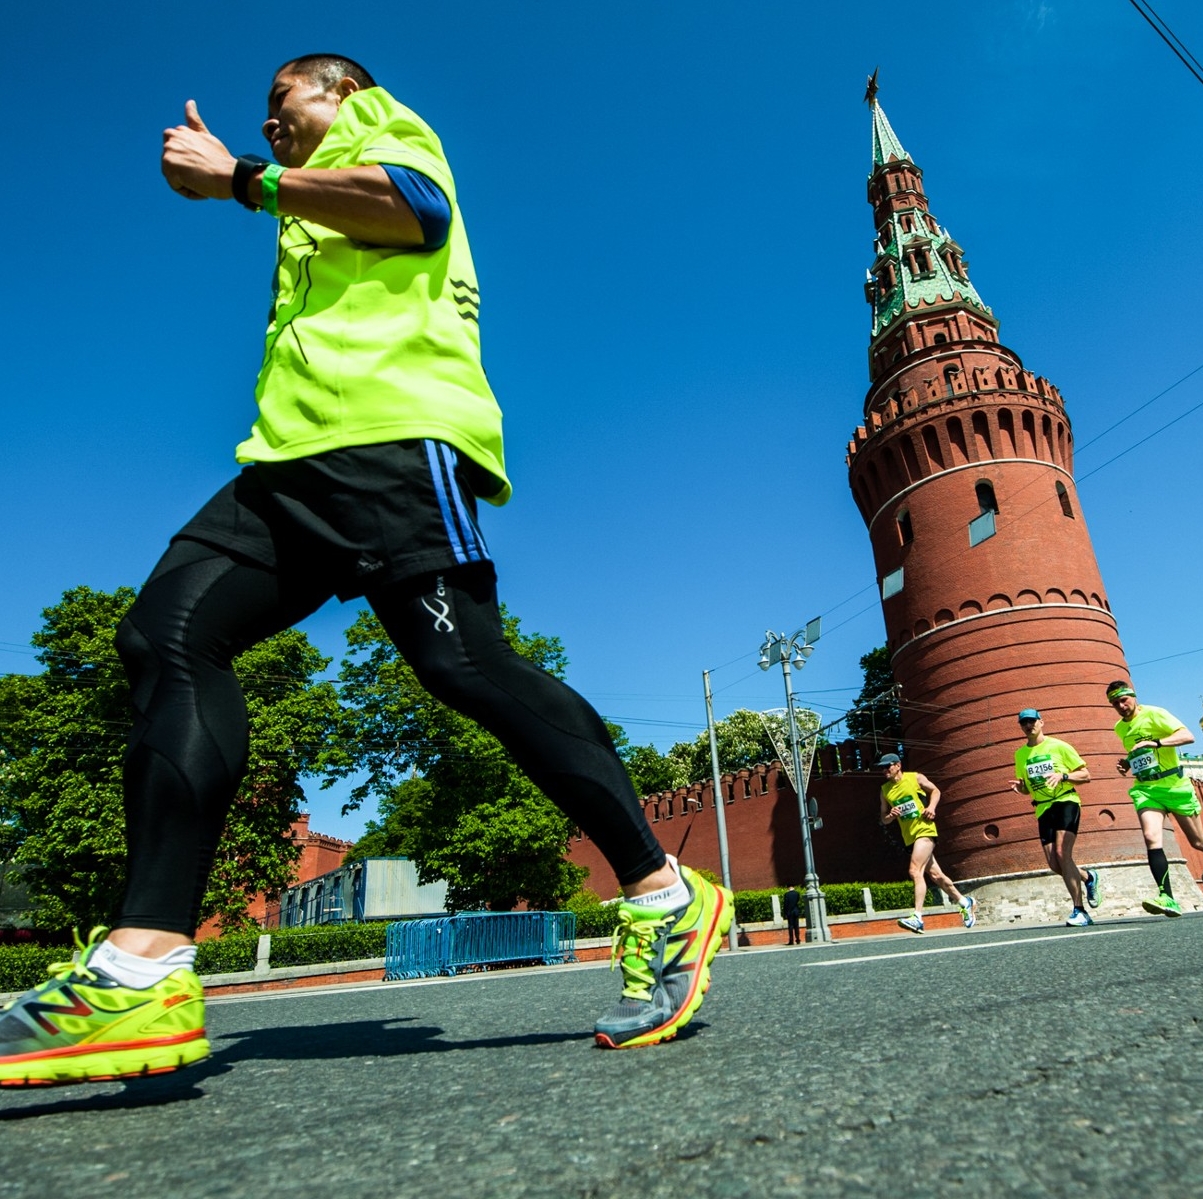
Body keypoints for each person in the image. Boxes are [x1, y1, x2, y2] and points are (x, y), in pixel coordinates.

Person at [0, 56, 735, 1086]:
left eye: (282, 99)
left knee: (463, 668)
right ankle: (144, 964)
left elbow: (416, 212)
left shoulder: (381, 126)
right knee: (164, 634)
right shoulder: (299, 203)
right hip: (282, 470)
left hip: (394, 443)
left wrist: (239, 177)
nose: (269, 116)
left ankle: (663, 891)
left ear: (337, 93)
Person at [1106, 681, 1203, 916]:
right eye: (1115, 703)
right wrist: (1127, 763)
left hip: (1175, 785)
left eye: (1123, 700)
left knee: (1199, 842)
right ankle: (1167, 897)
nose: (1121, 706)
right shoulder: (1120, 728)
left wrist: (1156, 742)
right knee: (1151, 837)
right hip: (1146, 788)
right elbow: (1140, 753)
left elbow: (1187, 736)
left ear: (1133, 696)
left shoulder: (1155, 714)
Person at [1008, 708, 1103, 927]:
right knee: (1054, 864)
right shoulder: (1020, 754)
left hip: (1065, 800)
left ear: (1041, 722)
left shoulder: (1058, 746)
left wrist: (1063, 775)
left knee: (1062, 853)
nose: (1028, 726)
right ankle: (1088, 878)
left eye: (1032, 721)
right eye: (1024, 723)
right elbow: (1027, 789)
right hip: (1042, 808)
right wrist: (1021, 788)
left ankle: (1080, 911)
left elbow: (1086, 775)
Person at [877, 754, 976, 932]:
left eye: (888, 766)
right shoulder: (885, 790)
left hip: (925, 830)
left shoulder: (915, 777)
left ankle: (917, 917)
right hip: (910, 837)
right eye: (882, 768)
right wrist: (890, 816)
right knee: (937, 876)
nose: (884, 770)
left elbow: (936, 791)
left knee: (915, 870)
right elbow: (883, 819)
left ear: (898, 765)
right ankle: (964, 901)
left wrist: (931, 808)